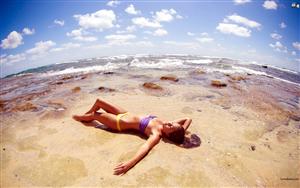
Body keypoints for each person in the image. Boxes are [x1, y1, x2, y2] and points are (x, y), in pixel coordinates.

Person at [72, 98, 192, 175]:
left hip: (118, 123)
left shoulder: (156, 134)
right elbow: (188, 118)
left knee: (95, 114)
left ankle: (82, 118)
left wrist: (130, 163)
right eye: (173, 123)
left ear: (168, 134)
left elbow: (145, 147)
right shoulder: (166, 125)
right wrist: (182, 130)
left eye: (171, 126)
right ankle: (86, 116)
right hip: (125, 113)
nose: (170, 122)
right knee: (99, 101)